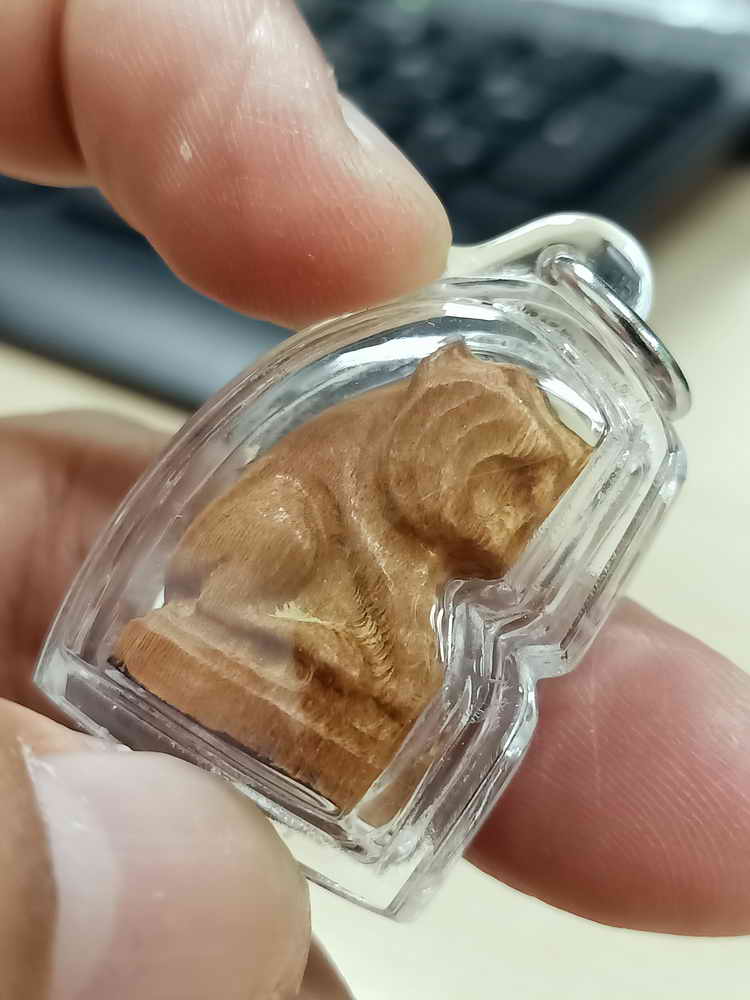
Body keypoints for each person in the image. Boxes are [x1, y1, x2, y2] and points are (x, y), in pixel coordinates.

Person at [1, 2, 748, 998]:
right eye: (513, 490)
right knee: (304, 562)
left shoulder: (434, 532)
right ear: (445, 433)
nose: (514, 538)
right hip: (264, 577)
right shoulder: (387, 456)